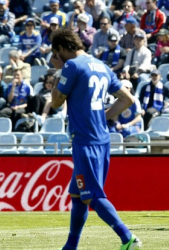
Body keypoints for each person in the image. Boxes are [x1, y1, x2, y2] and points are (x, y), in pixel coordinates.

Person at [49, 28, 142, 250]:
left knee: (92, 195)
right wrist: (102, 117)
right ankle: (71, 246)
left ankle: (127, 237)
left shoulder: (71, 66)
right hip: (101, 138)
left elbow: (55, 102)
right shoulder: (102, 66)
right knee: (78, 195)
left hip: (85, 140)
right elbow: (127, 99)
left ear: (61, 49)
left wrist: (57, 73)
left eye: (55, 52)